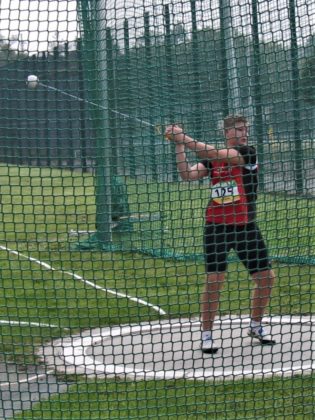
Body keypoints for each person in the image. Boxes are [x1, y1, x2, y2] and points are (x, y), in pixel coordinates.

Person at [164, 115, 276, 354]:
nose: (243, 133)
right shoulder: (213, 161)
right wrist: (179, 145)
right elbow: (187, 174)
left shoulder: (247, 152)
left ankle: (256, 325)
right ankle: (207, 335)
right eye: (238, 129)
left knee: (266, 278)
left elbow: (217, 154)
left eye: (245, 129)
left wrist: (183, 136)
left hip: (246, 227)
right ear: (227, 133)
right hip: (216, 227)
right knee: (215, 280)